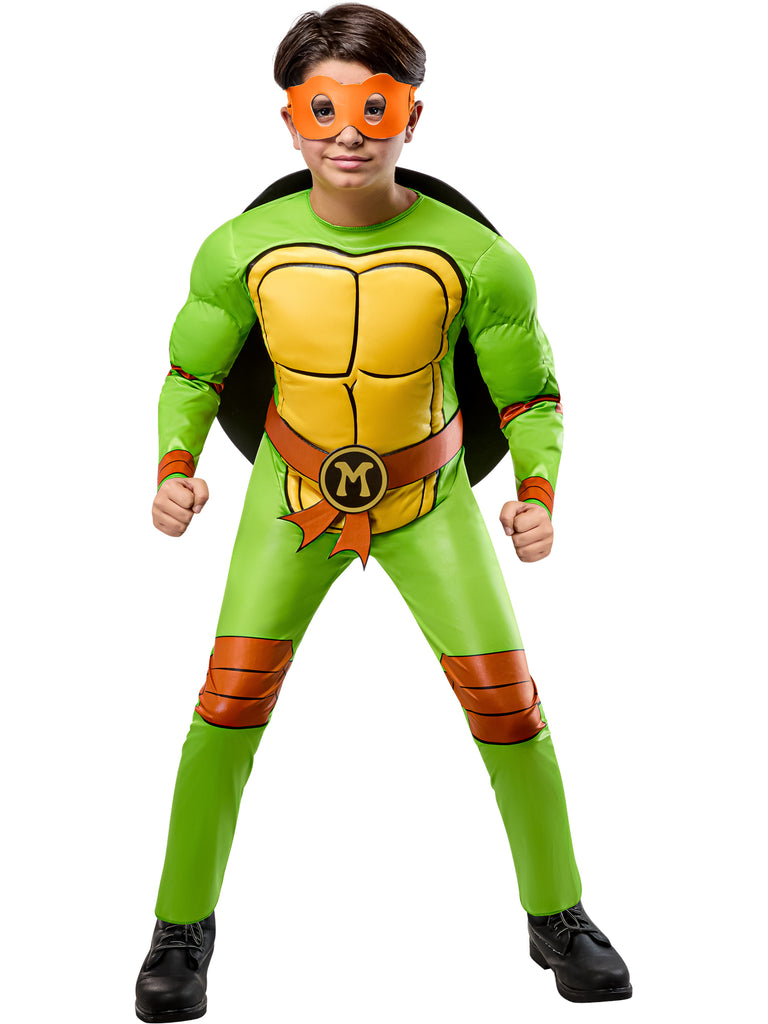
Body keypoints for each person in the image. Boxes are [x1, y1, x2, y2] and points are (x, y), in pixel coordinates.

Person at [135, 5, 631, 1020]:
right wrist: (174, 467)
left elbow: (531, 395)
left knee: (511, 711)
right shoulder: (240, 249)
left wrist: (537, 490)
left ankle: (558, 911)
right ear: (291, 119)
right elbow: (193, 371)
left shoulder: (478, 258)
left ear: (412, 114)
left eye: (375, 106)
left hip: (429, 496)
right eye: (324, 108)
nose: (349, 133)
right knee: (225, 710)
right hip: (292, 497)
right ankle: (179, 927)